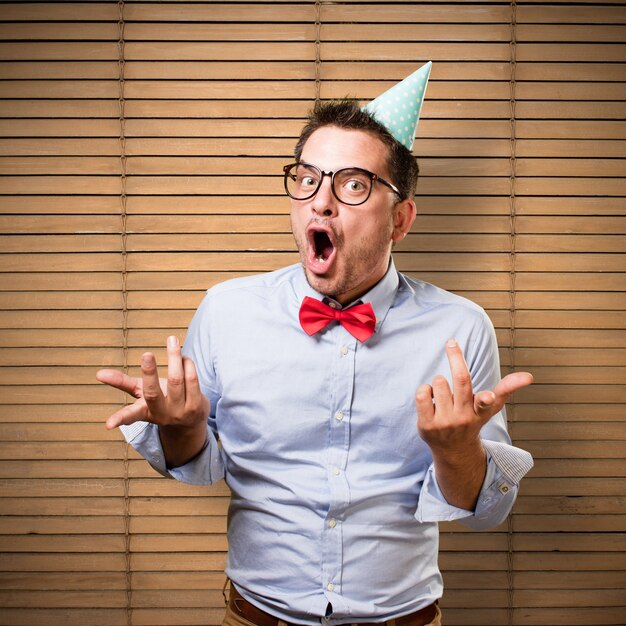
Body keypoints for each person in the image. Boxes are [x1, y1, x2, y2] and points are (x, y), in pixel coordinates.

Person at [97, 63, 533, 626]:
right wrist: (182, 429)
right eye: (307, 179)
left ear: (400, 219)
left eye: (353, 184)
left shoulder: (462, 329)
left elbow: (488, 510)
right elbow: (197, 465)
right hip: (256, 614)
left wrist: (456, 452)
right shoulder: (226, 312)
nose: (321, 202)